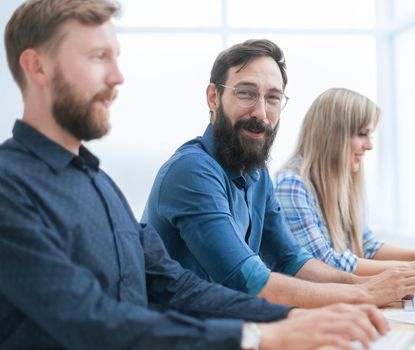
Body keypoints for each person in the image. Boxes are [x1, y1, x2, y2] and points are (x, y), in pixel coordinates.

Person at [0, 1, 389, 349]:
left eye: (116, 58)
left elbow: (179, 287)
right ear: (38, 67)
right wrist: (258, 335)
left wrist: (291, 319)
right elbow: (91, 320)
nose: (118, 77)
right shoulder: (9, 186)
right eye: (98, 57)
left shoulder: (99, 185)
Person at [143, 39, 415, 309]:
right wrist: (364, 293)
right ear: (213, 97)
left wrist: (367, 284)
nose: (261, 112)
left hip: (227, 328)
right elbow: (251, 282)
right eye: (245, 93)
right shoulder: (191, 171)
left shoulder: (257, 175)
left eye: (272, 98)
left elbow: (291, 260)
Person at [274, 88, 415, 277]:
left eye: (370, 135)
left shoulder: (338, 184)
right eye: (362, 134)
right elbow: (325, 265)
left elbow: (368, 246)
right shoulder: (292, 186)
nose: (369, 145)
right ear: (334, 136)